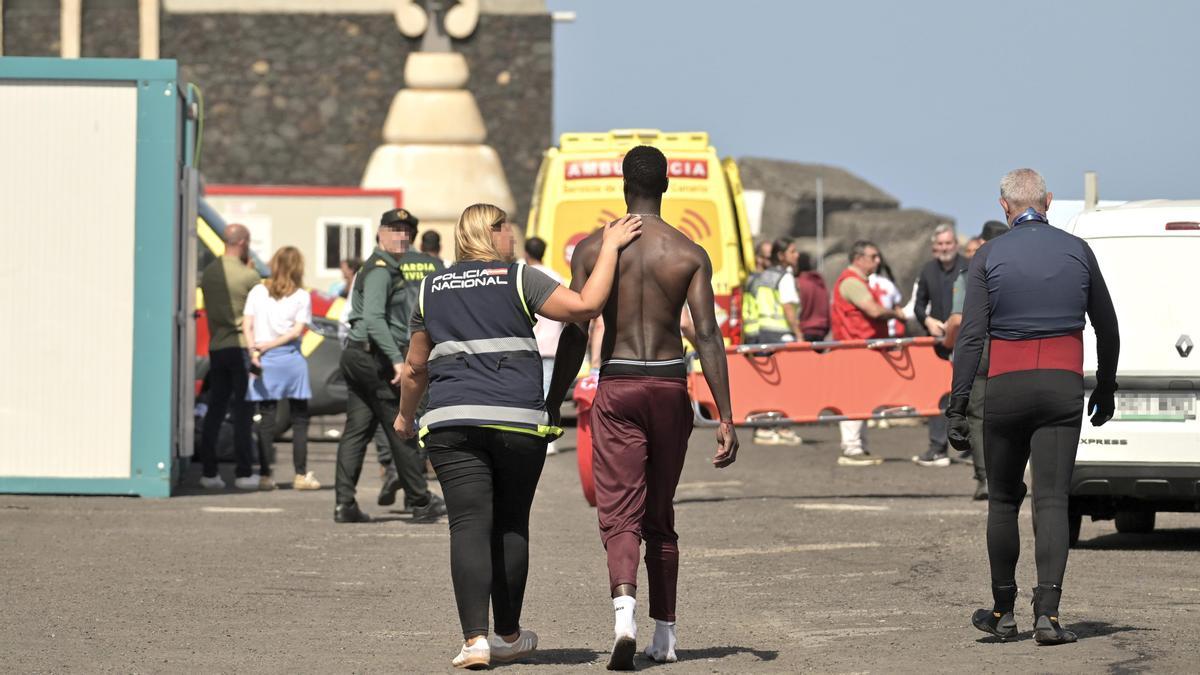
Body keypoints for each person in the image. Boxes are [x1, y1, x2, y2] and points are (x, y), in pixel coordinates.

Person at [393, 204, 643, 669]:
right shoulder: (517, 278)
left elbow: (415, 367)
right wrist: (608, 246)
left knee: (467, 525)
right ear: (490, 233)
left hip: (451, 422)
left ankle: (474, 642)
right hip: (516, 421)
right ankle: (507, 634)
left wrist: (405, 418)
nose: (513, 234)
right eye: (506, 226)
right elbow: (585, 307)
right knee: (510, 523)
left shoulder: (431, 288)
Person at [546, 145, 739, 670]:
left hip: (620, 384)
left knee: (619, 511)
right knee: (661, 512)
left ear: (623, 184)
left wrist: (552, 399)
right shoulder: (689, 252)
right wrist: (724, 415)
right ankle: (667, 635)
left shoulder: (593, 248)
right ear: (667, 185)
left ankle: (624, 616)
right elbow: (708, 336)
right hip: (670, 386)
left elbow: (574, 331)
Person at [950, 168, 1118, 645]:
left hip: (1006, 387)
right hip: (1062, 387)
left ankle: (1003, 612)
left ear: (1004, 207)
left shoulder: (988, 254)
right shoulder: (1078, 250)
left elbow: (971, 338)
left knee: (1003, 500)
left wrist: (956, 407)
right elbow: (1107, 326)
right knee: (1052, 501)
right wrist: (1105, 387)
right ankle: (1049, 615)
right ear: (1047, 201)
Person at [334, 208, 447, 523]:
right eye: (394, 230)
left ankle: (344, 504)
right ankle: (421, 501)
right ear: (380, 233)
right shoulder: (382, 269)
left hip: (359, 355)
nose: (401, 236)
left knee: (357, 431)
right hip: (375, 359)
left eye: (407, 231)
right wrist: (397, 360)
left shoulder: (384, 266)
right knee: (402, 425)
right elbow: (373, 319)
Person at [242, 246, 320, 491]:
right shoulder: (301, 296)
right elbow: (297, 331)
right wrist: (271, 344)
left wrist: (254, 350)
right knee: (299, 419)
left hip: (264, 361)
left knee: (266, 419)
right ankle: (300, 474)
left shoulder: (257, 290)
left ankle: (265, 476)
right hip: (291, 360)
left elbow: (247, 324)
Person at [943, 220, 1010, 501]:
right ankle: (1008, 476)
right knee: (1011, 413)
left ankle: (985, 479)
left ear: (982, 242)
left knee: (978, 416)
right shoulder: (1017, 269)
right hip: (1011, 347)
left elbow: (958, 320)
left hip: (979, 349)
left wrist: (946, 343)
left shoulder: (970, 272)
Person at [197, 223, 263, 490]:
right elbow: (258, 315)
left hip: (217, 347)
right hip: (241, 348)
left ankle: (209, 472)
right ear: (244, 242)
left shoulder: (209, 274)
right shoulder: (250, 277)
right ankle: (244, 472)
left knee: (215, 409)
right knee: (243, 411)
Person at [830, 241, 907, 467]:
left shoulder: (856, 282)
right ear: (858, 258)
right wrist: (896, 314)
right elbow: (873, 310)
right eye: (873, 256)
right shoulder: (852, 283)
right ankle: (852, 448)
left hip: (860, 350)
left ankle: (858, 446)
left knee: (860, 398)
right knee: (853, 398)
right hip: (854, 350)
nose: (878, 261)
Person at [912, 223, 967, 467]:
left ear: (955, 245)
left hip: (966, 341)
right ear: (934, 247)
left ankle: (970, 449)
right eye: (940, 244)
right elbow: (917, 305)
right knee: (937, 396)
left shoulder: (968, 266)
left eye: (948, 243)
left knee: (967, 395)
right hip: (937, 344)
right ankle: (937, 447)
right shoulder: (927, 270)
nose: (944, 248)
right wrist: (928, 320)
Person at [524, 236, 566, 456]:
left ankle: (531, 435)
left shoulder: (522, 275)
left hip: (528, 346)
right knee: (549, 392)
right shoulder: (556, 276)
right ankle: (548, 439)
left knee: (531, 392)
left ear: (526, 253)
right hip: (552, 344)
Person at [794, 251, 830, 342]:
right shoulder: (820, 283)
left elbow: (797, 309)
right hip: (821, 329)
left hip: (805, 330)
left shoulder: (799, 283)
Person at [868, 253, 904, 338]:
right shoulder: (888, 283)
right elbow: (898, 308)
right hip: (891, 332)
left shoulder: (863, 282)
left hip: (872, 333)